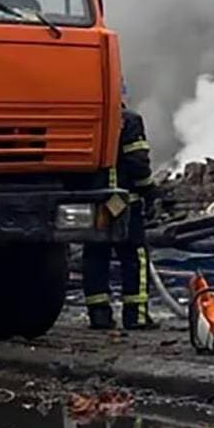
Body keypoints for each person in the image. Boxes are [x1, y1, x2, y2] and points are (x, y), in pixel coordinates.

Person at [83, 88, 157, 331]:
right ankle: (135, 315)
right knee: (134, 255)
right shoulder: (129, 121)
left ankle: (99, 315)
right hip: (123, 202)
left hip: (92, 201)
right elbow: (138, 163)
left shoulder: (87, 119)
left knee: (95, 254)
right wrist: (149, 191)